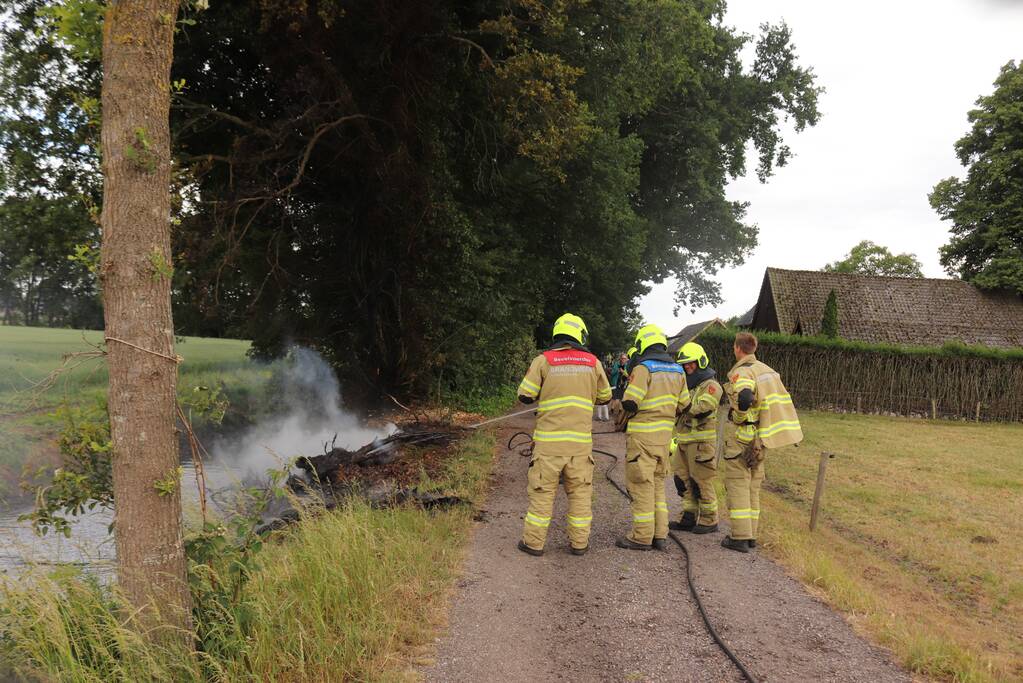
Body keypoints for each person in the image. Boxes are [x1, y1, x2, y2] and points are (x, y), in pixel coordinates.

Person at [516, 313, 612, 556]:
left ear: (557, 334)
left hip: (549, 446)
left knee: (542, 493)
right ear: (580, 334)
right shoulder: (593, 362)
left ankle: (533, 544)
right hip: (579, 447)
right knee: (580, 494)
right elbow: (605, 398)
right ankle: (579, 544)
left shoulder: (543, 360)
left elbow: (525, 394)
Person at [721, 332, 803, 553]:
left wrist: (740, 411)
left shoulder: (743, 371)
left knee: (738, 484)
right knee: (753, 486)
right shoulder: (768, 371)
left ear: (738, 348)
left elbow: (745, 397)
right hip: (760, 438)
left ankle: (739, 537)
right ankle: (751, 536)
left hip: (743, 436)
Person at [615, 324, 688, 552]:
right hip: (664, 439)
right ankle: (660, 535)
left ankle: (641, 537)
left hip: (643, 439)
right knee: (657, 486)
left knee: (640, 485)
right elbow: (685, 404)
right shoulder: (678, 370)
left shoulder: (644, 368)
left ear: (642, 344)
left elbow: (630, 402)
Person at [669, 342, 723, 534]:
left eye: (690, 363)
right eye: (684, 364)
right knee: (682, 480)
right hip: (683, 441)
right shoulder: (687, 385)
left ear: (700, 362)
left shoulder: (712, 386)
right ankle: (688, 517)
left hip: (701, 444)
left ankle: (710, 520)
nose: (687, 367)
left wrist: (681, 404)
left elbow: (700, 409)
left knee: (702, 481)